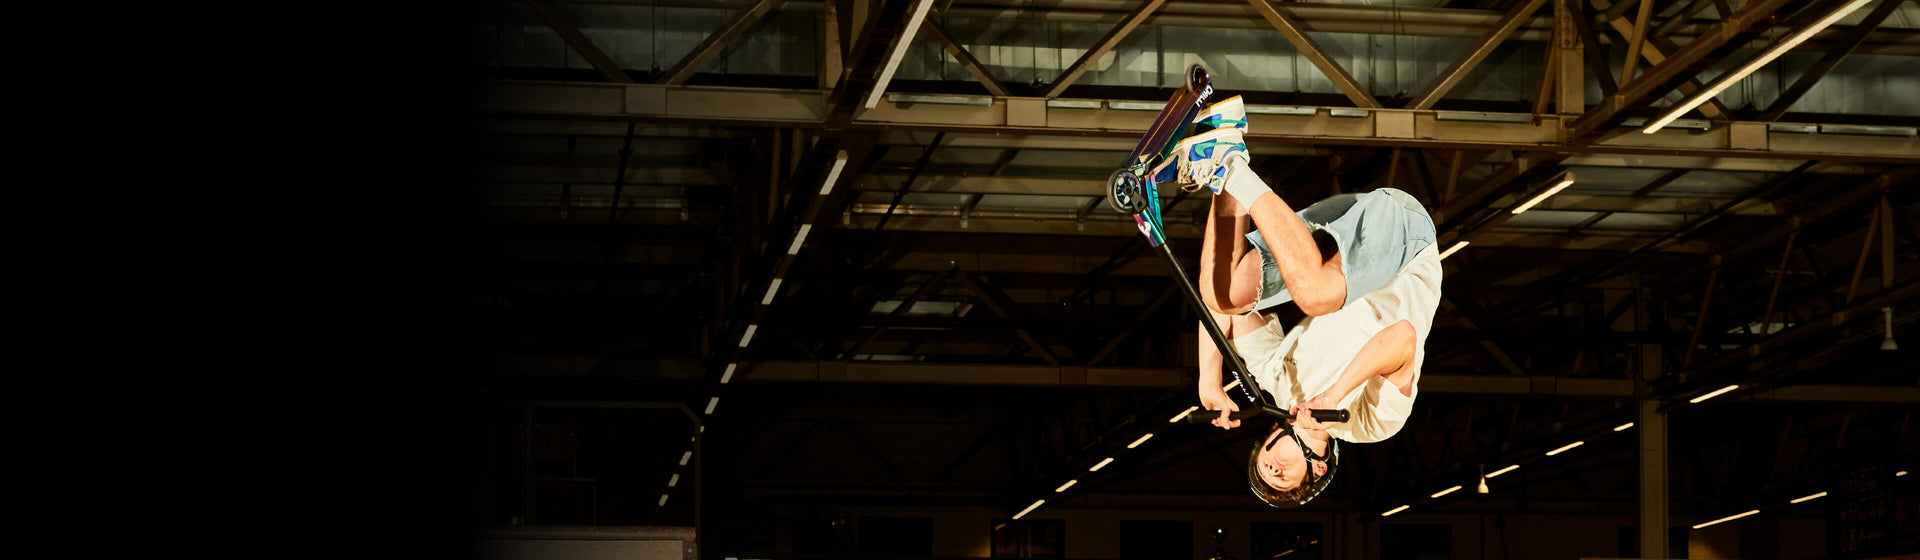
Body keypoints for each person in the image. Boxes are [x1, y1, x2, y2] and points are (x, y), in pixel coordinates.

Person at [1170, 96, 1444, 507]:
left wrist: (1209, 380)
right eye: (1283, 479)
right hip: (1406, 240)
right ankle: (1231, 166)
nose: (1273, 470)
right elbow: (1402, 338)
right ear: (1317, 468)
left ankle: (1225, 149)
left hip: (1344, 225)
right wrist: (1333, 396)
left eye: (1265, 469)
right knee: (1316, 295)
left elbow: (1217, 313)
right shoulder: (1368, 425)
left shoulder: (1275, 384)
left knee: (1222, 294)